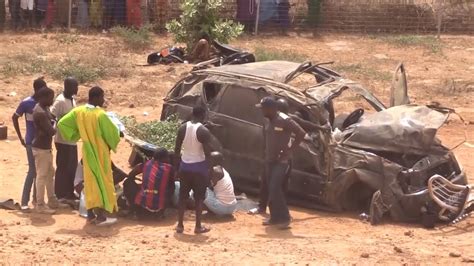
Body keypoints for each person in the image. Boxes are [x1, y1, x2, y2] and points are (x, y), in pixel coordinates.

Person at [58, 86, 121, 226]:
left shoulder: (79, 111)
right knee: (102, 182)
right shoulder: (101, 115)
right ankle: (102, 216)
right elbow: (111, 134)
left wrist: (76, 135)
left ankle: (91, 214)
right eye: (102, 97)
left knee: (90, 183)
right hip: (100, 153)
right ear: (96, 97)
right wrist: (118, 134)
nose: (103, 100)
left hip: (87, 152)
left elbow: (62, 123)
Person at [257, 96, 305, 229]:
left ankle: (284, 217)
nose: (261, 111)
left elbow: (301, 133)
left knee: (274, 187)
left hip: (281, 161)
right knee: (271, 188)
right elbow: (266, 140)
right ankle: (274, 218)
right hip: (269, 160)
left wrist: (289, 151)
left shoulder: (284, 120)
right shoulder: (266, 121)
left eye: (263, 108)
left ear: (270, 108)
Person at [174, 106, 214, 234]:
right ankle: (198, 226)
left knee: (182, 197)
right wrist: (211, 170)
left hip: (185, 166)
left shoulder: (182, 128)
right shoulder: (203, 131)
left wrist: (176, 168)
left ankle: (180, 225)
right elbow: (208, 153)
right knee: (199, 198)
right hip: (199, 168)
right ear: (203, 115)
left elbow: (176, 150)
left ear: (192, 114)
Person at [32, 87, 68, 214]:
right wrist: (56, 123)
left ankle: (52, 200)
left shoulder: (44, 108)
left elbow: (51, 117)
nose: (52, 100)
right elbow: (51, 131)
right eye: (50, 97)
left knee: (49, 174)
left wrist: (54, 119)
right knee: (42, 176)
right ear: (43, 97)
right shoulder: (39, 112)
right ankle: (40, 204)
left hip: (45, 148)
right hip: (41, 149)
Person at [12, 78, 47, 212]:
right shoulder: (27, 103)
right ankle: (24, 202)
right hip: (31, 141)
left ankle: (36, 199)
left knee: (40, 172)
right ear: (37, 89)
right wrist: (20, 137)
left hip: (42, 143)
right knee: (32, 171)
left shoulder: (44, 103)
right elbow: (15, 117)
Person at [124, 148, 175, 219]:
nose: (169, 159)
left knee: (127, 182)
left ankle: (133, 210)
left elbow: (130, 175)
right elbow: (172, 183)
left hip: (141, 207)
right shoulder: (169, 168)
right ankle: (161, 212)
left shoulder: (146, 164)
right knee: (172, 186)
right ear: (163, 158)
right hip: (159, 208)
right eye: (167, 157)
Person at [51, 77, 78, 203]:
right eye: (74, 86)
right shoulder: (60, 101)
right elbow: (51, 116)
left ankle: (69, 192)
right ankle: (60, 194)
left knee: (72, 167)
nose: (77, 89)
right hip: (62, 140)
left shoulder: (72, 100)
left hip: (72, 139)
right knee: (62, 167)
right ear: (67, 87)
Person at [204, 152, 237, 216]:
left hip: (221, 208)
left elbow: (205, 184)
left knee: (200, 188)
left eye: (210, 159)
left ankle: (210, 211)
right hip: (232, 207)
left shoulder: (215, 171)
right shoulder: (224, 171)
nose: (208, 160)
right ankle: (213, 210)